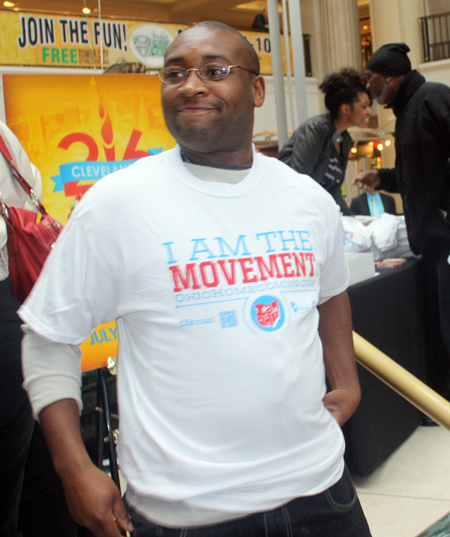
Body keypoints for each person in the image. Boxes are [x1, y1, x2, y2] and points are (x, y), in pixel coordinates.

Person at [20, 21, 371, 537]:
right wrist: (74, 467)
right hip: (188, 515)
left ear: (256, 89)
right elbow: (49, 336)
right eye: (175, 72)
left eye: (214, 70)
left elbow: (330, 289)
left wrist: (346, 380)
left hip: (322, 493)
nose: (191, 85)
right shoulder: (117, 205)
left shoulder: (305, 198)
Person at [353, 42, 450, 395]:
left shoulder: (433, 97)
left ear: (390, 77)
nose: (369, 86)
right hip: (430, 244)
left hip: (444, 240)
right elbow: (419, 176)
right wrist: (384, 179)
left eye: (371, 78)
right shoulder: (407, 113)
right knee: (439, 329)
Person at [278, 68, 372, 216]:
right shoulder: (315, 129)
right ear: (345, 109)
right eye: (364, 106)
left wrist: (352, 220)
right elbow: (299, 181)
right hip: (293, 213)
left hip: (316, 216)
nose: (369, 111)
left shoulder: (344, 140)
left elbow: (334, 192)